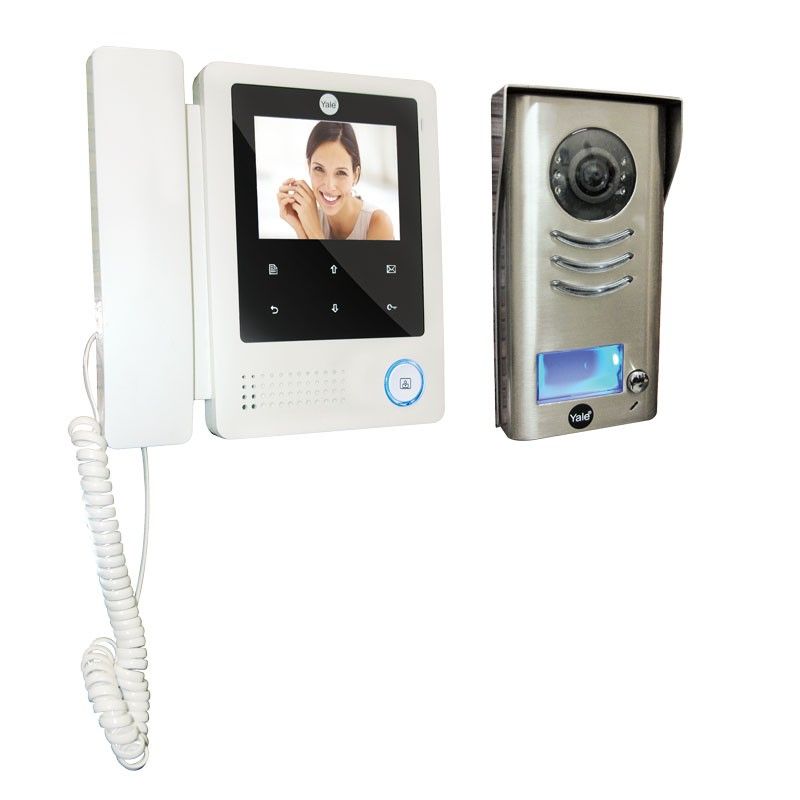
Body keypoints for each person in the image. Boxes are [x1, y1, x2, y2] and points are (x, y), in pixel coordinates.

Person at [277, 121, 394, 240]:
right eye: (319, 169)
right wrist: (299, 227)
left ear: (355, 175)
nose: (329, 186)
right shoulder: (310, 217)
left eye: (341, 172)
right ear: (309, 167)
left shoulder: (378, 223)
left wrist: (314, 231)